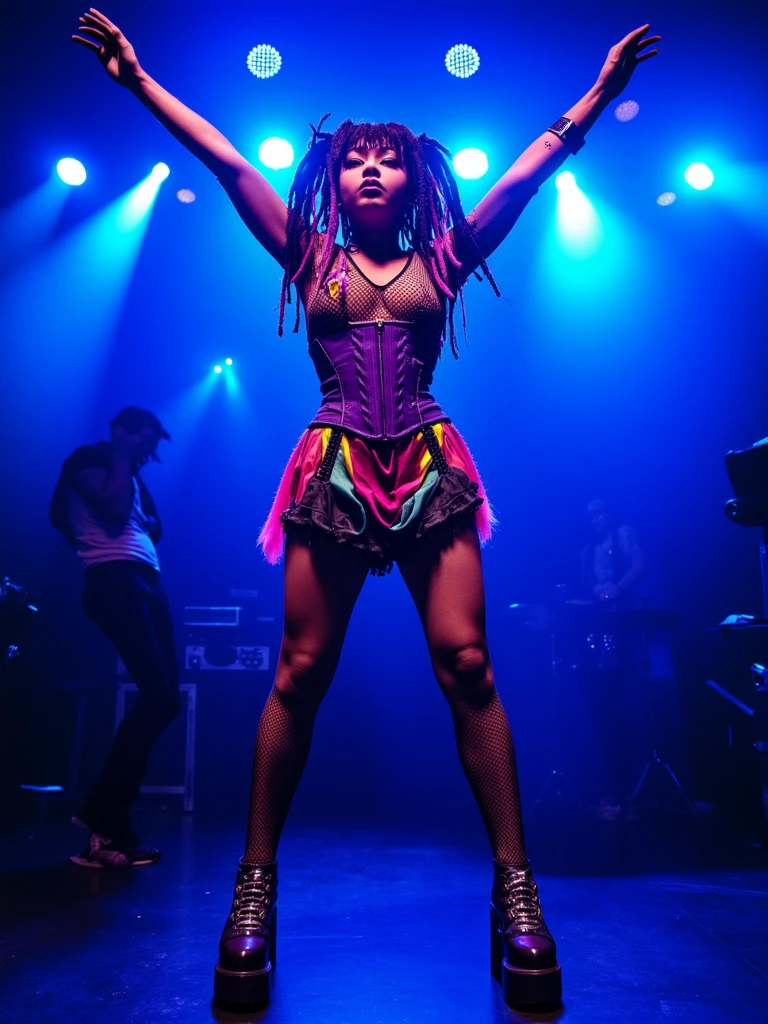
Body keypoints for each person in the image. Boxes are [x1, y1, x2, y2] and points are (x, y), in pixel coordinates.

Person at [72, 9, 659, 1007]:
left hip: (428, 458)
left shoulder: (447, 254)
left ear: (416, 178)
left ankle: (517, 893)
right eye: (357, 161)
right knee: (299, 671)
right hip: (336, 462)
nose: (374, 171)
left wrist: (597, 98)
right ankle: (252, 892)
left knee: (468, 664)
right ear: (334, 180)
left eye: (391, 159)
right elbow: (224, 162)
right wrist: (138, 82)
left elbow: (525, 175)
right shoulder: (307, 255)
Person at [50, 405, 179, 867]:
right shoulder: (86, 460)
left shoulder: (130, 473)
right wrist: (121, 455)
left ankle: (109, 823)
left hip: (145, 580)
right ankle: (103, 822)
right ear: (120, 432)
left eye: (148, 452)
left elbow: (153, 526)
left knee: (167, 699)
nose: (143, 457)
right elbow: (114, 507)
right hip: (113, 579)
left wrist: (131, 463)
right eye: (139, 445)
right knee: (158, 695)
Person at [580, 498, 648, 819]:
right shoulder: (587, 551)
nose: (595, 521)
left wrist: (616, 589)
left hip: (624, 623)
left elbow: (639, 564)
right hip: (600, 626)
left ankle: (627, 792)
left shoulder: (623, 534)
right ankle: (612, 790)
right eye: (591, 517)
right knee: (602, 706)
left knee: (621, 703)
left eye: (600, 514)